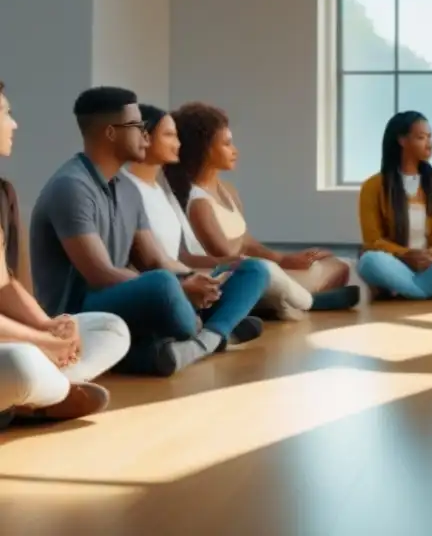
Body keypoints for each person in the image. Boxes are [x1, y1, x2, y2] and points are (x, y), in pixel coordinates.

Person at [29, 87, 267, 379]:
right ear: (110, 133)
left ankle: (201, 340)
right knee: (161, 285)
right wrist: (179, 288)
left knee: (252, 270)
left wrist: (195, 280)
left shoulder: (127, 188)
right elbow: (100, 275)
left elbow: (156, 260)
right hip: (81, 310)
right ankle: (216, 331)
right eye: (138, 127)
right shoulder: (71, 187)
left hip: (130, 297)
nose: (146, 135)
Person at [1, 81, 129, 428]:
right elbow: (100, 272)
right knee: (20, 364)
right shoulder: (70, 185)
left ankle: (36, 395)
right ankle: (45, 394)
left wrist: (49, 327)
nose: (14, 124)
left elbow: (4, 286)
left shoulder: (1, 192)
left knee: (110, 328)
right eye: (5, 113)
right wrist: (43, 342)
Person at [165, 102, 359, 320]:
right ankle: (297, 302)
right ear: (204, 149)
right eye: (227, 144)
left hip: (249, 265)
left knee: (339, 264)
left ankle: (281, 301)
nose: (235, 151)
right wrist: (280, 261)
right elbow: (227, 255)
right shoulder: (199, 202)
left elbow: (249, 243)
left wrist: (289, 258)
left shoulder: (227, 190)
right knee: (267, 270)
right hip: (229, 273)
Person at [124, 104, 265, 344]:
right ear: (144, 137)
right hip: (159, 287)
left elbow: (182, 256)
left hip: (180, 278)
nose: (179, 143)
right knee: (169, 290)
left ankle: (211, 333)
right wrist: (186, 282)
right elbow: (140, 265)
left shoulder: (162, 191)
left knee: (254, 270)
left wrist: (224, 264)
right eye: (169, 135)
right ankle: (215, 333)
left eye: (177, 136)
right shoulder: (126, 190)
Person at [357, 111, 432, 300]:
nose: (429, 143)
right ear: (402, 141)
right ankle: (424, 290)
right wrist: (406, 255)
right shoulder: (373, 186)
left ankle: (410, 290)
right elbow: (372, 240)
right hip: (395, 265)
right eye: (421, 137)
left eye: (430, 137)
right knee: (369, 261)